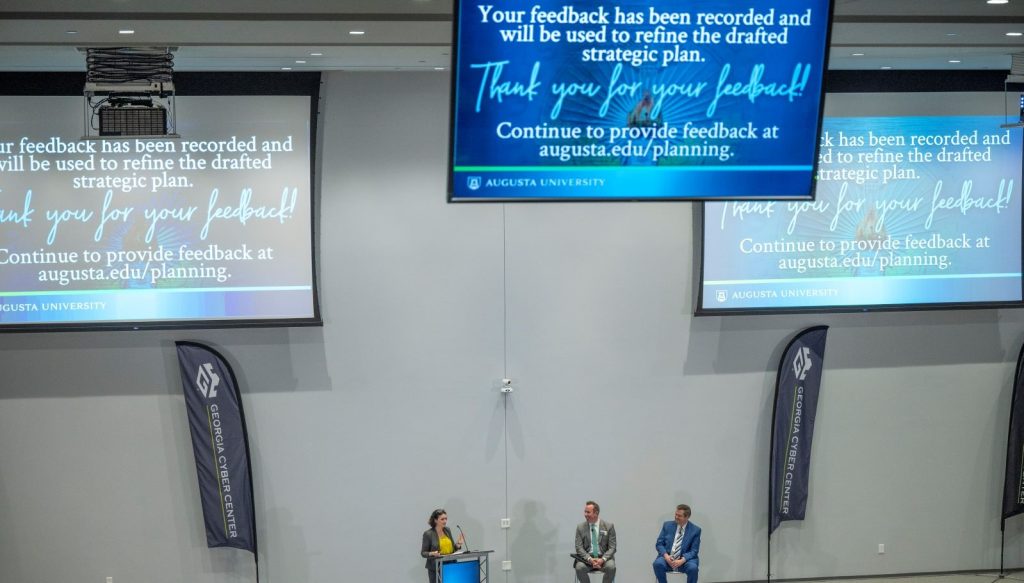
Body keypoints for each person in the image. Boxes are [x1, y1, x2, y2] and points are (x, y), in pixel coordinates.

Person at [653, 504, 701, 583]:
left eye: (679, 516)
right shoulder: (667, 525)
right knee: (657, 564)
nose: (676, 517)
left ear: (687, 517)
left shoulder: (695, 530)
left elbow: (694, 551)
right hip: (668, 558)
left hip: (685, 561)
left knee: (693, 568)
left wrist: (682, 560)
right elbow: (659, 544)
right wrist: (666, 556)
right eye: (675, 514)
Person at [573, 500, 616, 583]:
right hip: (586, 559)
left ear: (596, 513)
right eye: (585, 512)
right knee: (579, 567)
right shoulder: (580, 527)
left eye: (588, 512)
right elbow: (579, 547)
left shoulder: (609, 526)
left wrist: (602, 559)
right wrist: (590, 559)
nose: (585, 514)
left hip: (604, 559)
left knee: (611, 567)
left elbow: (612, 547)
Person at [420, 508, 464, 583]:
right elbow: (423, 553)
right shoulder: (428, 534)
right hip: (437, 567)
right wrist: (432, 553)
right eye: (442, 519)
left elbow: (451, 549)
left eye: (446, 519)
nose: (445, 521)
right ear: (435, 520)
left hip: (451, 565)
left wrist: (458, 544)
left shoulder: (447, 530)